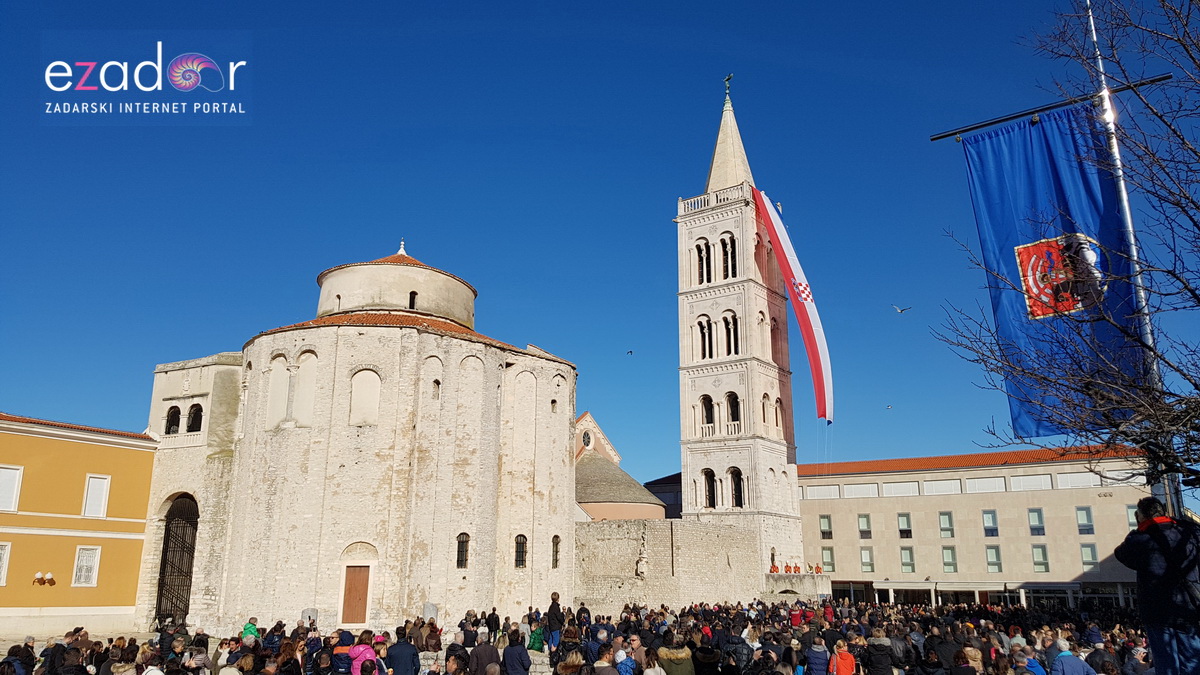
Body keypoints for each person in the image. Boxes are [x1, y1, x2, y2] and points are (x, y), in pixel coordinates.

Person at [1114, 496, 1200, 675]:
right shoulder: (1189, 530)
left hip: (1157, 610)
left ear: (1141, 516)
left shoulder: (1140, 539)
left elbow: (1121, 554)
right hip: (1188, 606)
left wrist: (1141, 528)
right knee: (1192, 660)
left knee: (1166, 662)